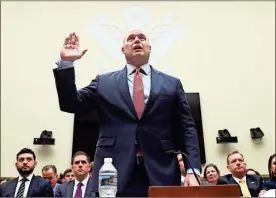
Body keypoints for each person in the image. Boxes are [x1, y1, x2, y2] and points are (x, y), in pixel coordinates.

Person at [53, 30, 201, 196]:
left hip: (161, 169)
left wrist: (192, 169)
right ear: (123, 49)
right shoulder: (104, 82)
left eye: (142, 38)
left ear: (149, 47)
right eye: (131, 39)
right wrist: (66, 64)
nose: (137, 40)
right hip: (111, 168)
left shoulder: (171, 83)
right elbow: (71, 104)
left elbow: (187, 127)